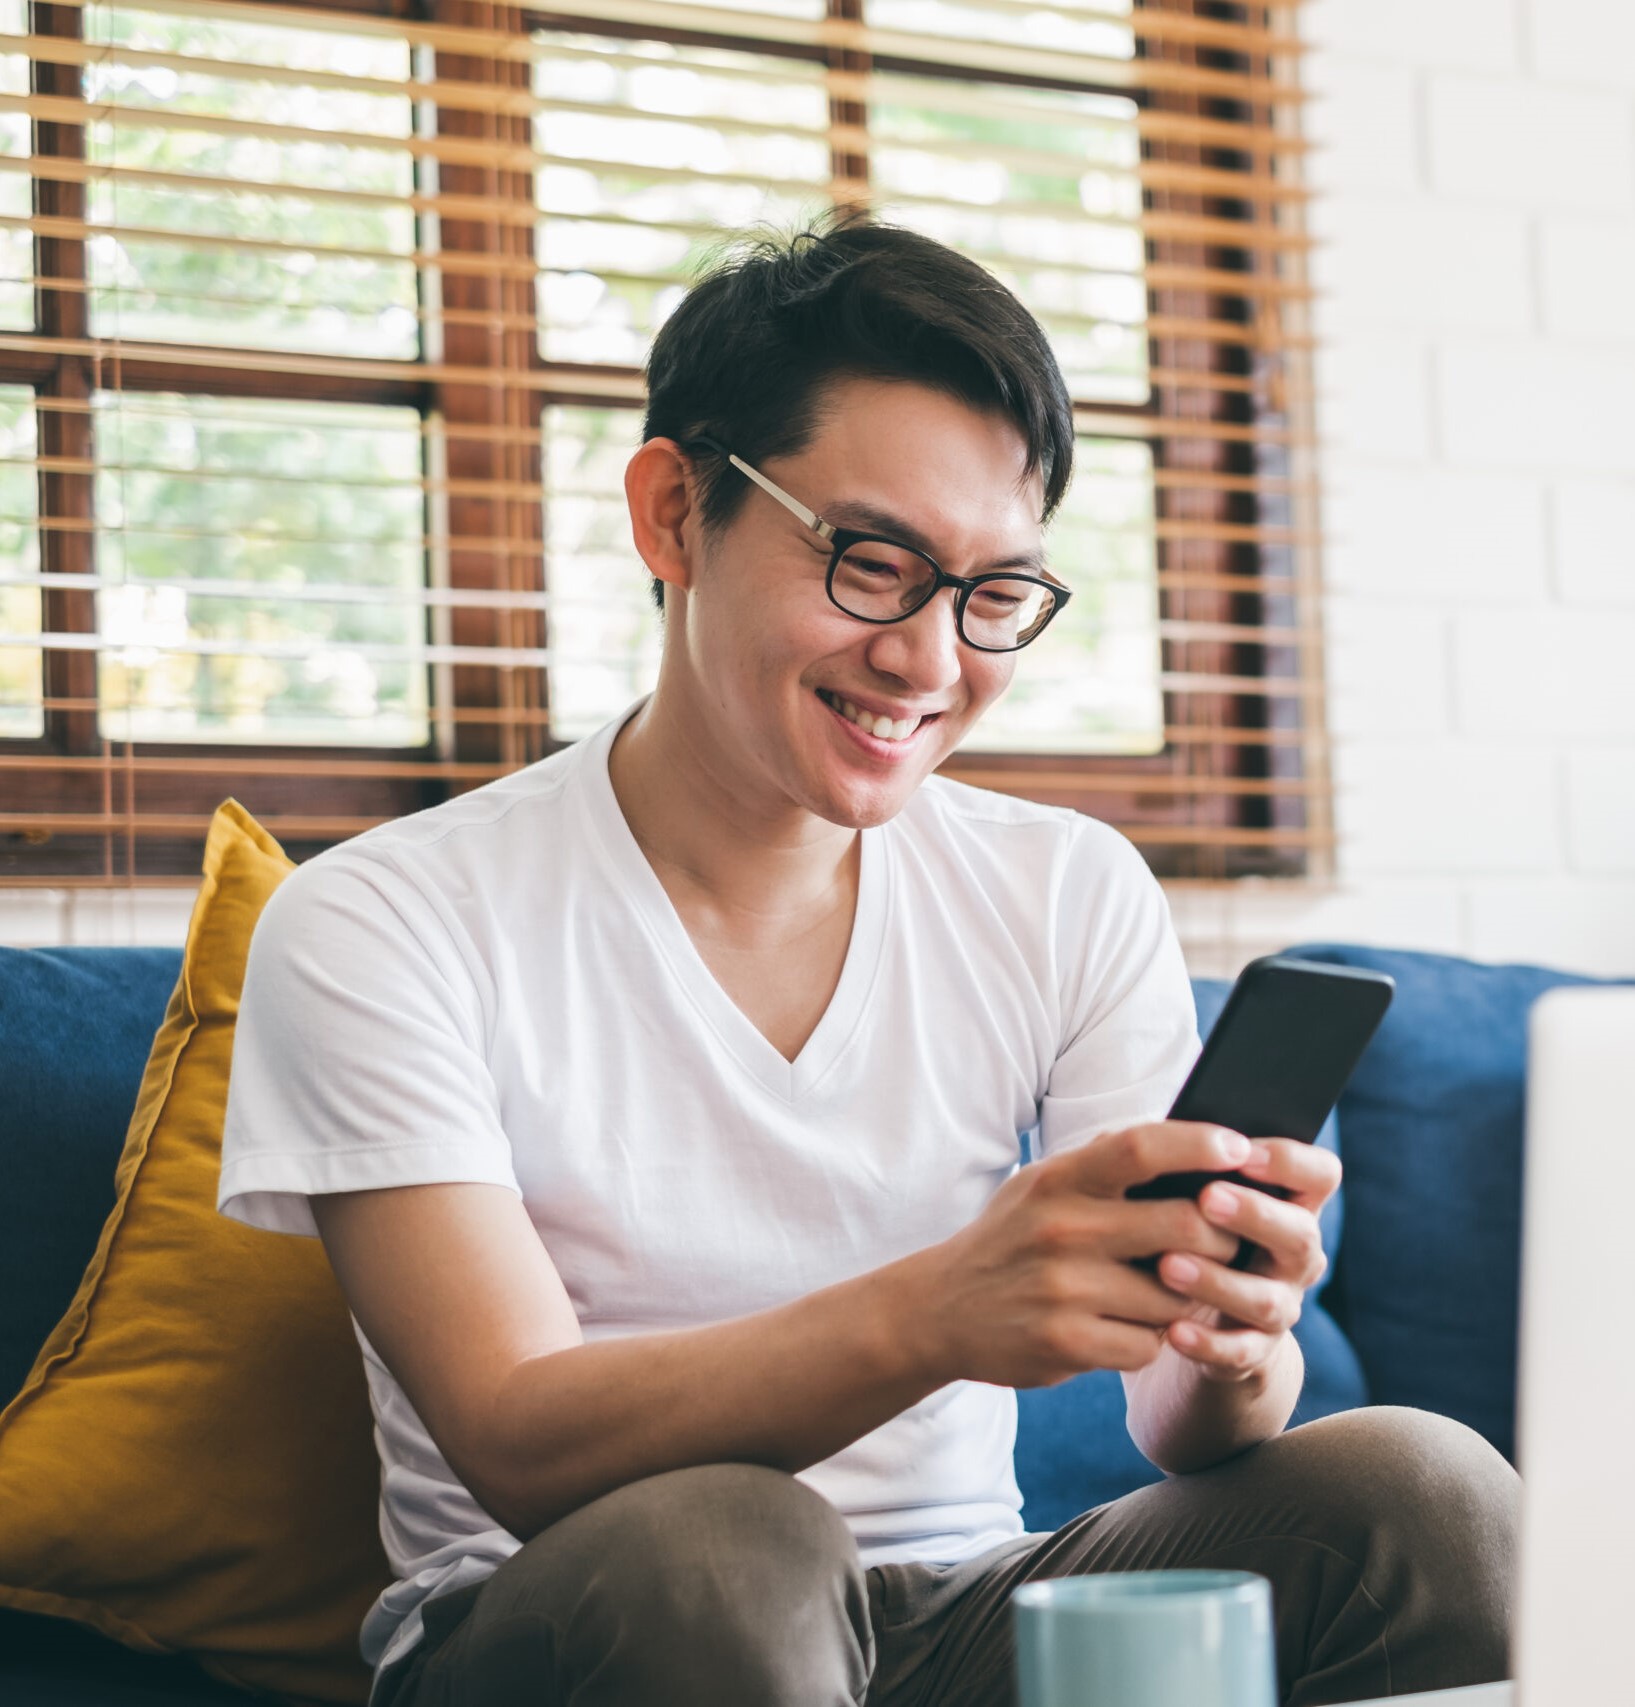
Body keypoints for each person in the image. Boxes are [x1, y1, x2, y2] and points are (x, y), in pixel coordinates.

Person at [217, 217, 1516, 1707]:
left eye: (993, 595)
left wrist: (1224, 1341)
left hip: (965, 1604)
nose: (930, 659)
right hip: (580, 1614)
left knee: (1434, 1499)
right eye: (873, 561)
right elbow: (514, 1437)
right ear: (671, 512)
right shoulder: (385, 919)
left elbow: (1175, 1427)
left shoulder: (1064, 888)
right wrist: (936, 1308)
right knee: (732, 1546)